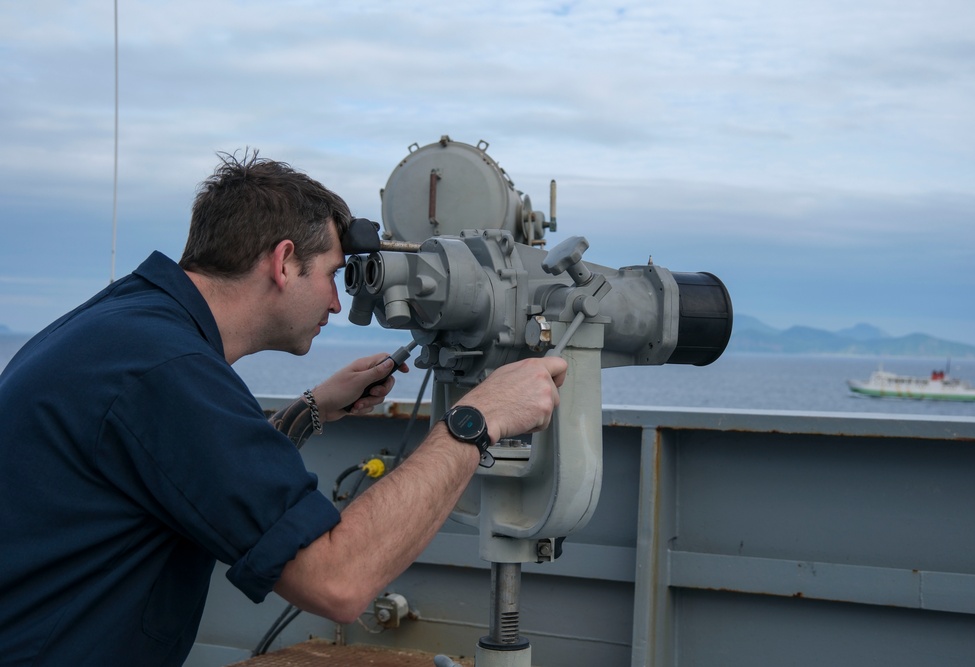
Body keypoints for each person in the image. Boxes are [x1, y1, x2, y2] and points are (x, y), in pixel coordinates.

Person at [0, 151, 567, 666]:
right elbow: (337, 581)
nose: (336, 302)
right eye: (330, 275)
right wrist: (476, 420)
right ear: (284, 261)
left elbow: (186, 468)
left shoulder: (130, 326)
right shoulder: (165, 369)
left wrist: (311, 410)